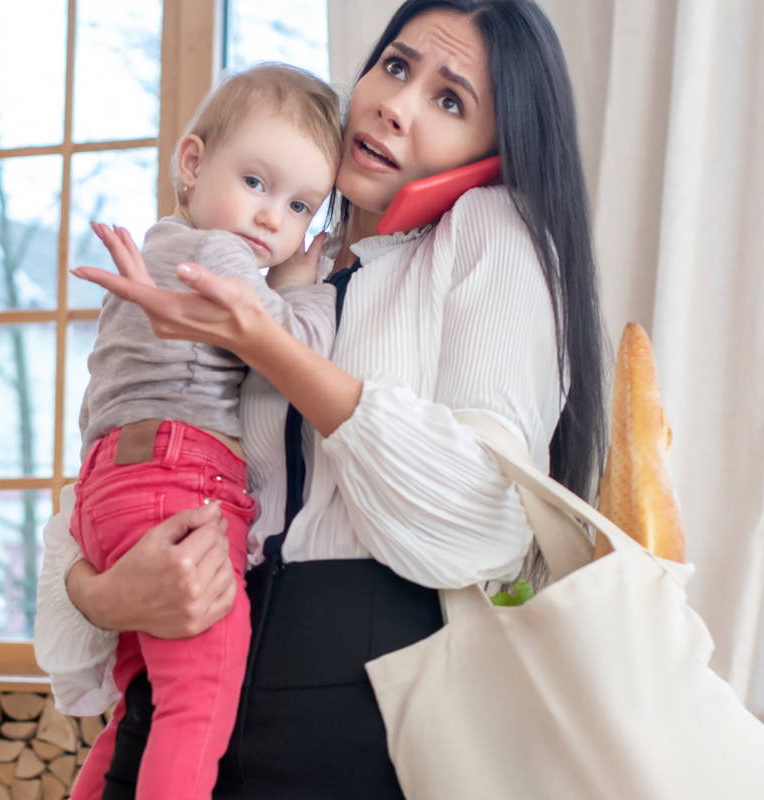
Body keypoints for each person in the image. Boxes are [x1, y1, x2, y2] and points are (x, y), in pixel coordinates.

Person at [39, 0, 608, 797]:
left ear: (497, 147)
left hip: (351, 715)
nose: (395, 106)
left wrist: (263, 341)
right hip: (184, 689)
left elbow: (486, 510)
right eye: (397, 66)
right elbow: (113, 466)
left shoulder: (488, 232)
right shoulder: (271, 261)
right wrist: (99, 595)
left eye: (450, 100)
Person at [66, 62, 343, 800]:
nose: (270, 220)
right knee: (199, 704)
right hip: (180, 486)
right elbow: (295, 348)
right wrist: (302, 288)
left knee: (140, 708)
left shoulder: (161, 246)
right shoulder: (219, 258)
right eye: (256, 183)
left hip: (108, 491)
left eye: (299, 207)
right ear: (192, 163)